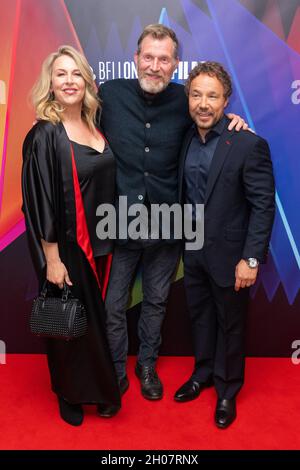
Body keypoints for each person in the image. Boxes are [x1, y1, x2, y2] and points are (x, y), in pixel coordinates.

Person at [98, 24, 249, 408]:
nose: (154, 65)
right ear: (136, 59)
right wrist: (46, 124)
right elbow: (75, 124)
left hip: (168, 224)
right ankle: (116, 370)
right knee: (113, 305)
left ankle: (146, 366)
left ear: (175, 65)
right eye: (148, 57)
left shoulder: (187, 100)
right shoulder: (109, 95)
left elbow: (213, 118)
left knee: (156, 302)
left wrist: (237, 122)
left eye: (163, 59)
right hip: (119, 221)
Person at [21, 45, 121, 426]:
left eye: (75, 73)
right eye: (60, 74)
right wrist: (52, 258)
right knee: (69, 323)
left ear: (86, 81)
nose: (69, 81)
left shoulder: (95, 126)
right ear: (50, 82)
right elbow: (39, 199)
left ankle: (96, 388)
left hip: (102, 242)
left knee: (91, 323)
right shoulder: (45, 133)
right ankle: (69, 393)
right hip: (66, 246)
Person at [174, 62, 275, 428]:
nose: (203, 103)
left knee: (230, 324)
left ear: (226, 100)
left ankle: (227, 390)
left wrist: (250, 258)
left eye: (212, 96)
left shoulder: (248, 143)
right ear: (188, 98)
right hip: (193, 250)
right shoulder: (185, 137)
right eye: (197, 94)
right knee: (200, 317)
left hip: (232, 256)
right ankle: (202, 374)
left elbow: (263, 204)